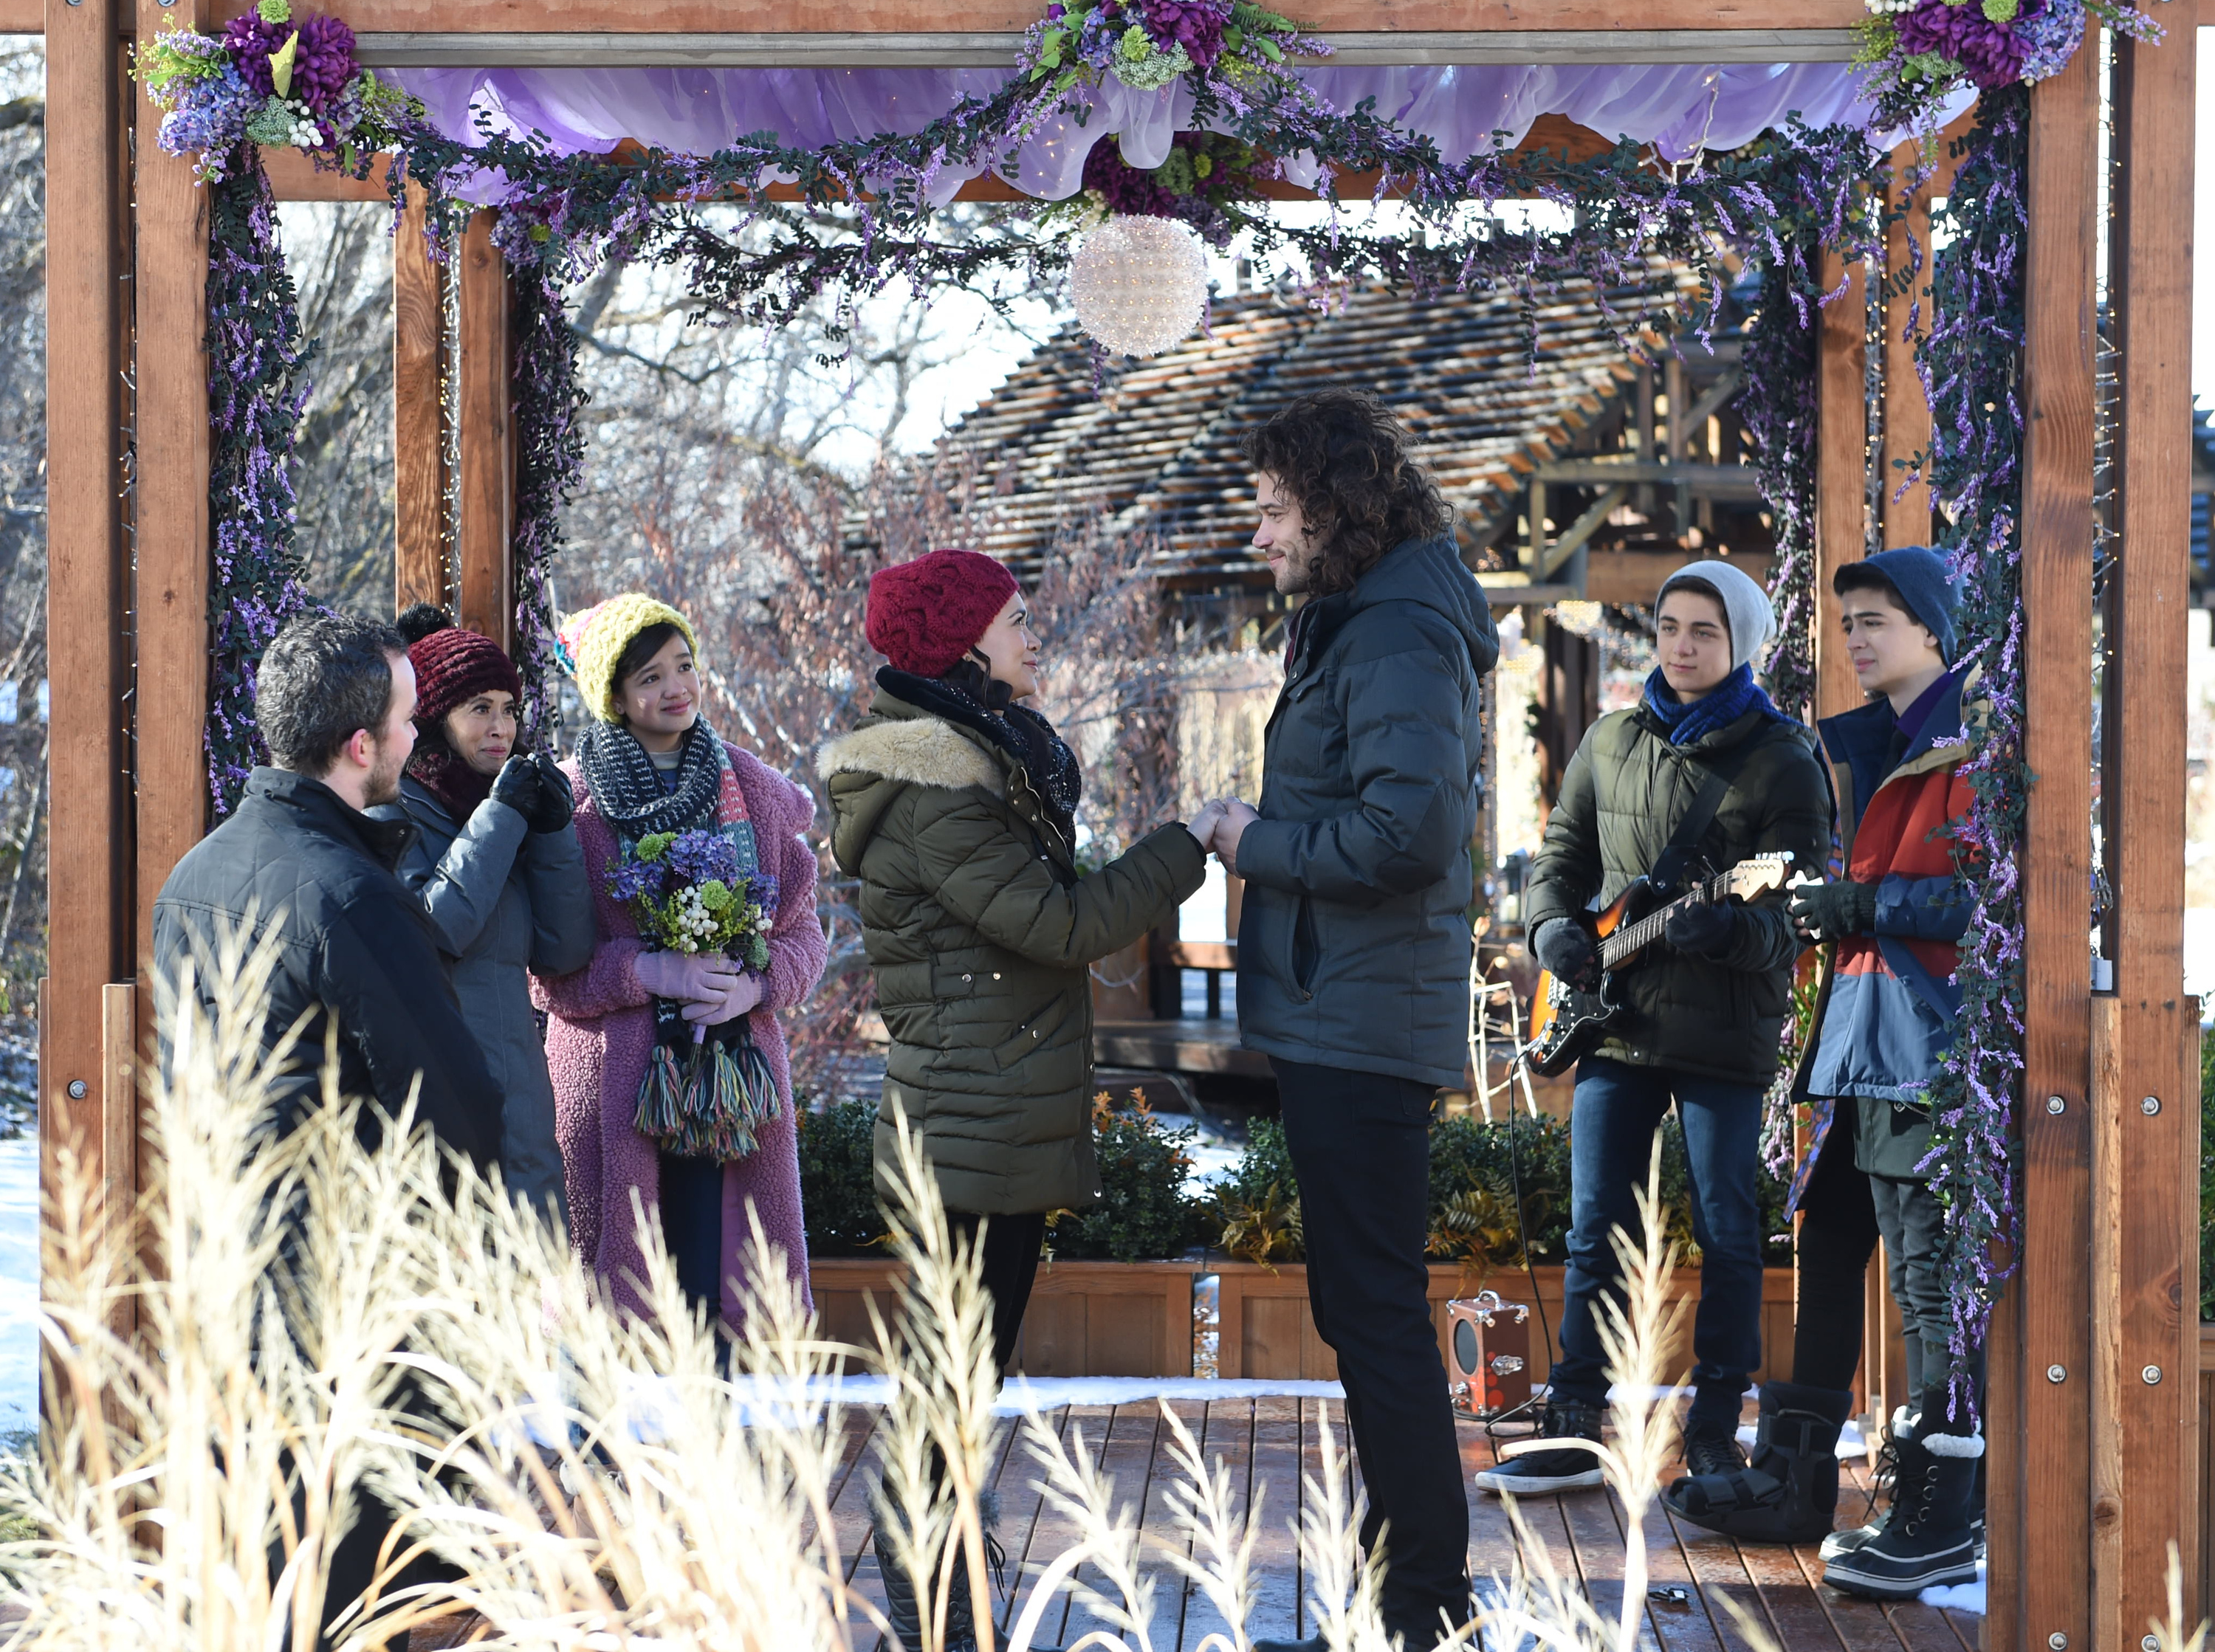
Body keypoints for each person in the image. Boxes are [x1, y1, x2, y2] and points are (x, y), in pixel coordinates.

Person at [818, 546, 1215, 1652]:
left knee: (962, 1376)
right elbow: (1062, 924)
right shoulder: (937, 792)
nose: (1034, 635)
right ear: (963, 644)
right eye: (1015, 618)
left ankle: (948, 1583)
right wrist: (1187, 845)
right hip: (967, 1125)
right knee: (949, 1381)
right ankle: (932, 1597)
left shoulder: (977, 764)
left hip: (986, 1117)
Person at [1198, 390, 1497, 1652]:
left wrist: (1252, 839)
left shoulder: (1394, 634)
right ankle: (1408, 1597)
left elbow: (1407, 833)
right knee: (1364, 1311)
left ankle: (1422, 1608)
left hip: (1364, 1022)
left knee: (1373, 1314)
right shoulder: (1365, 622)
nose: (1261, 533)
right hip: (1343, 1012)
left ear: (1338, 508)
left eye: (1276, 508)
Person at [150, 609, 501, 1651]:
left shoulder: (192, 878)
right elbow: (458, 1112)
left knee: (258, 1594)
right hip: (344, 1313)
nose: (415, 736)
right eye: (407, 719)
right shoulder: (352, 896)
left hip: (227, 1289)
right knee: (353, 1602)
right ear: (360, 745)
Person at [1664, 547, 1981, 1601]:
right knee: (1833, 1240)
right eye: (1847, 622)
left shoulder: (1974, 741)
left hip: (1925, 1044)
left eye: (1875, 620)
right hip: (1864, 1036)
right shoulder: (1881, 741)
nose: (1854, 639)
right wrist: (1828, 903)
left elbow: (2007, 899)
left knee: (1928, 1279)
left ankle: (1941, 1513)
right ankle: (1798, 1481)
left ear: (1932, 630)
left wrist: (1865, 905)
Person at [1477, 561, 1830, 1501]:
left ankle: (1714, 1425)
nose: (1681, 646)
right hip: (1613, 1026)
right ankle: (1572, 1414)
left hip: (1723, 1035)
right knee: (1595, 1227)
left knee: (1728, 1232)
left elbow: (1797, 918)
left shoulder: (1784, 761)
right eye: (1670, 626)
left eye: (1703, 632)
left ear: (1741, 642)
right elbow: (1560, 857)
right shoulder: (1610, 739)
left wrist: (1732, 932)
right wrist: (1551, 930)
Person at [532, 595, 828, 1329]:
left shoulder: (752, 789)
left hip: (733, 1083)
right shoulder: (570, 805)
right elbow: (543, 972)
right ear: (614, 697)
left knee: (717, 1297)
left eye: (685, 665)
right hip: (616, 1086)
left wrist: (754, 985)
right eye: (651, 676)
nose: (677, 687)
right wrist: (646, 972)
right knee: (620, 1313)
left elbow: (805, 936)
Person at [370, 606, 595, 1222]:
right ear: (435, 717)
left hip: (521, 1106)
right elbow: (434, 932)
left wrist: (552, 832)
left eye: (509, 709)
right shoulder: (392, 810)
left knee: (529, 1271)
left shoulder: (503, 805)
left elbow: (566, 952)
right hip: (438, 1106)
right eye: (479, 709)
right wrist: (501, 817)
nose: (501, 728)